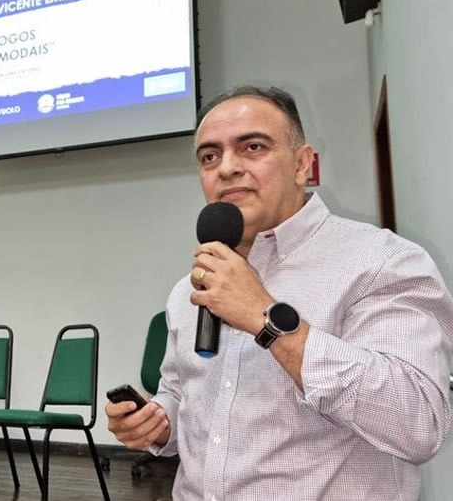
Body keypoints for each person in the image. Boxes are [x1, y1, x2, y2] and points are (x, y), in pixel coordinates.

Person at [106, 86, 453, 500]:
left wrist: (266, 319)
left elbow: (418, 423)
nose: (226, 168)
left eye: (253, 147)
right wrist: (159, 421)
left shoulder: (382, 261)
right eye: (210, 156)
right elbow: (183, 396)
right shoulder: (189, 289)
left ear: (303, 164)